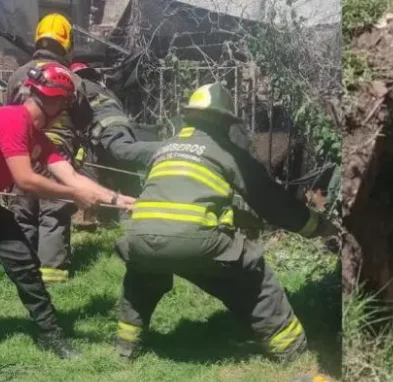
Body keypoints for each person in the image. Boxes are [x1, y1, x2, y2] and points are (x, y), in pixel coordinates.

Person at [112, 83, 339, 362]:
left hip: (138, 238)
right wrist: (316, 226)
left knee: (142, 278)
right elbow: (272, 202)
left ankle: (125, 348)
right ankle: (291, 351)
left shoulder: (164, 147)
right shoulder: (229, 154)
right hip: (196, 242)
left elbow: (178, 187)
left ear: (189, 116)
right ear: (224, 121)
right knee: (255, 276)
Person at [0, 62, 135, 359]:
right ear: (57, 103)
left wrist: (118, 199)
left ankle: (50, 336)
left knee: (25, 265)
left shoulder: (35, 135)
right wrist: (74, 194)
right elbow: (26, 180)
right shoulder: (12, 119)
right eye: (66, 105)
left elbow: (71, 176)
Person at [5, 13, 94, 284]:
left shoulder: (19, 75)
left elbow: (7, 114)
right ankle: (53, 274)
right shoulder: (72, 79)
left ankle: (23, 271)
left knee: (23, 211)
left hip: (23, 151)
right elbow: (85, 119)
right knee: (54, 211)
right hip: (58, 155)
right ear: (67, 43)